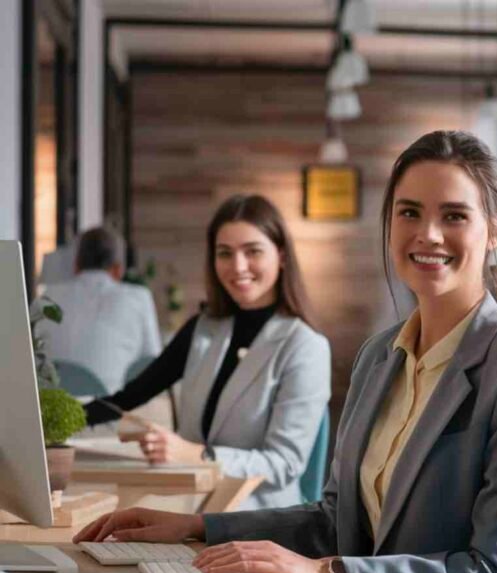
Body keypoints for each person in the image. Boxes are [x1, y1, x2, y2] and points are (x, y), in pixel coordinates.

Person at [74, 130, 497, 573]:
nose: (428, 234)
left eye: (454, 216)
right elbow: (337, 521)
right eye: (409, 212)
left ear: (495, 230)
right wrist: (197, 527)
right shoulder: (379, 357)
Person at [85, 194, 331, 511]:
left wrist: (197, 454)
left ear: (281, 256)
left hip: (259, 517)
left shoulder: (304, 346)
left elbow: (283, 465)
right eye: (224, 253)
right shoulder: (203, 328)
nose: (237, 266)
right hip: (191, 507)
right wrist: (50, 424)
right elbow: (130, 396)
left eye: (252, 251)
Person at [37, 227, 162, 394]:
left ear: (76, 266)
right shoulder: (139, 298)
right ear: (118, 269)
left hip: (50, 412)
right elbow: (152, 364)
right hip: (109, 411)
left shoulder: (48, 296)